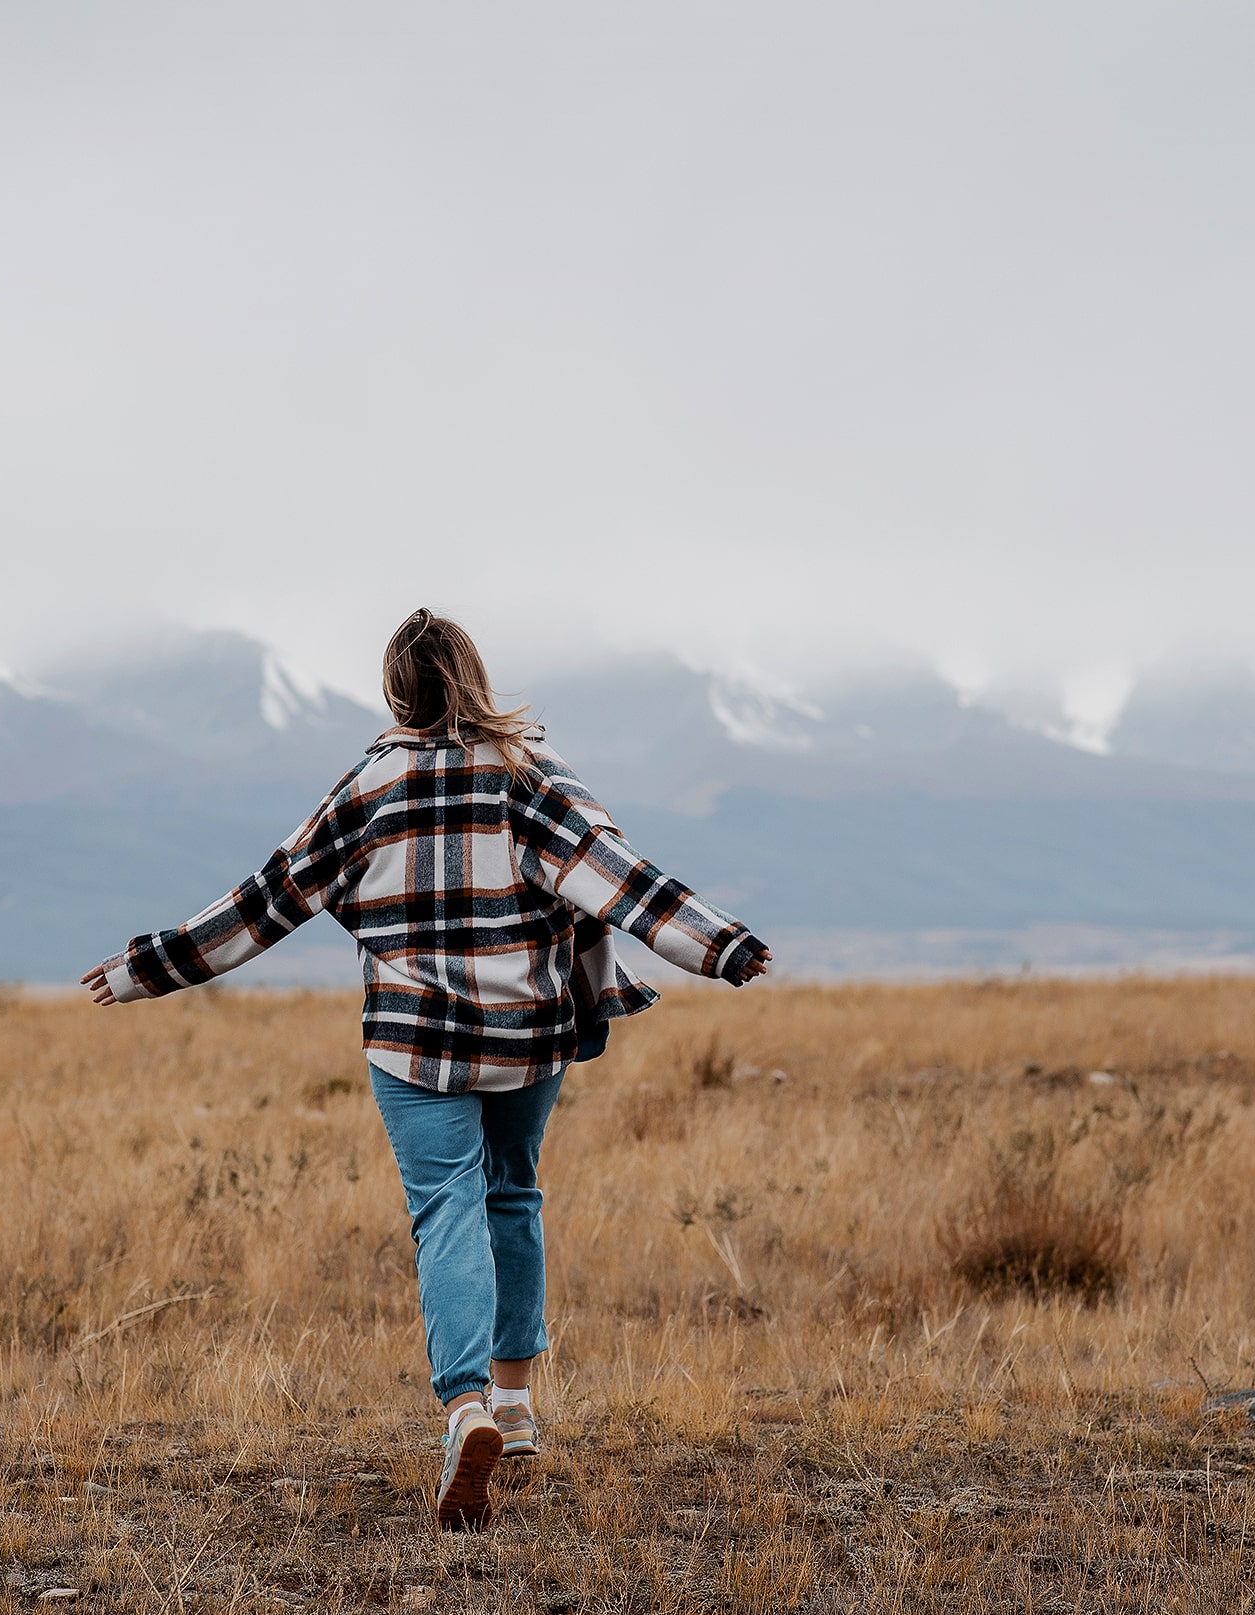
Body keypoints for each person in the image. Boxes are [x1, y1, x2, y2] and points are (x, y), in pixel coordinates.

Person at [81, 610, 772, 1529]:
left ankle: (466, 1409)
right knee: (513, 1194)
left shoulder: (367, 788)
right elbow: (624, 879)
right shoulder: (532, 777)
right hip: (528, 1035)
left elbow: (264, 902)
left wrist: (147, 967)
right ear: (477, 678)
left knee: (446, 1208)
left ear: (394, 690)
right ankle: (518, 1407)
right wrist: (720, 946)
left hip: (412, 1041)